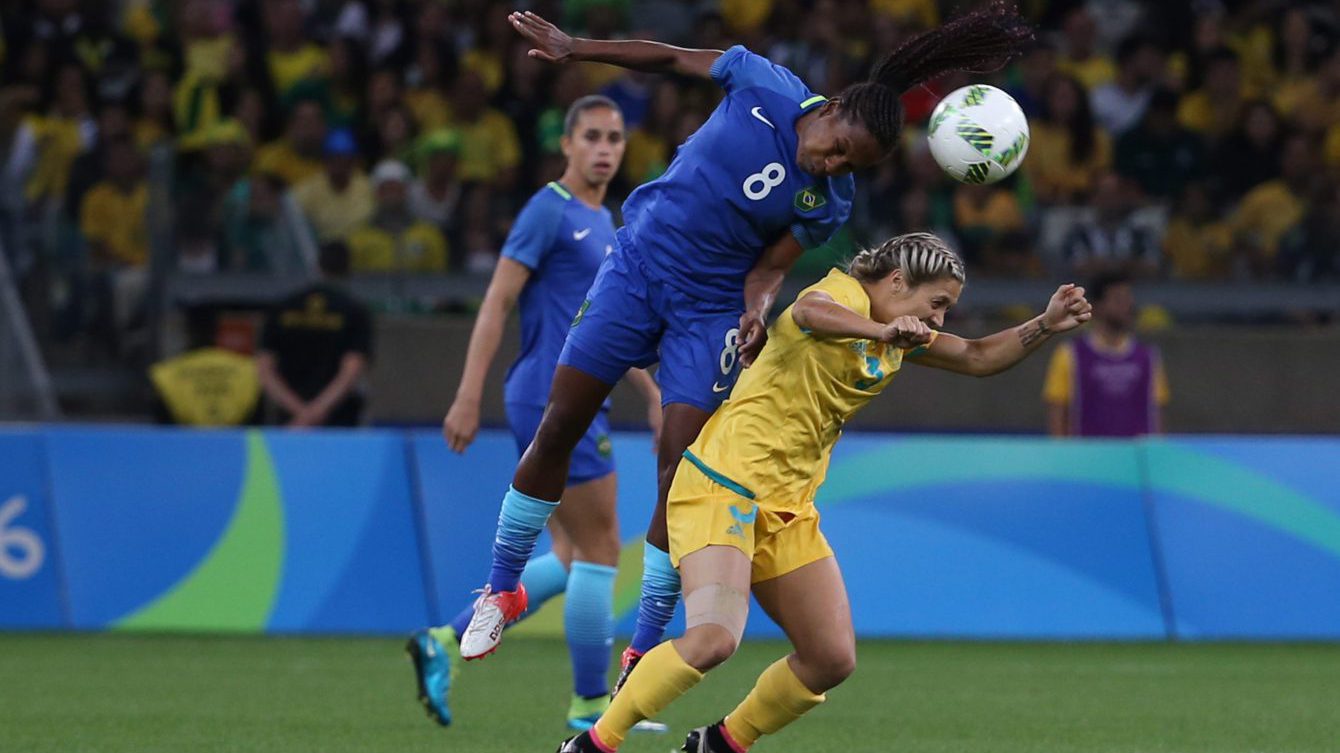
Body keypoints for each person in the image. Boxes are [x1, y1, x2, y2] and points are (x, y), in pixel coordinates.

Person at [458, 4, 1032, 686]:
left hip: (709, 311)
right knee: (561, 421)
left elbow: (769, 267)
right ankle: (500, 588)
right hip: (637, 268)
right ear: (835, 107)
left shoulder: (830, 199)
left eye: (852, 164)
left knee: (680, 464)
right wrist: (574, 48)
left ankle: (643, 644)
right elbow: (671, 58)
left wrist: (756, 310)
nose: (835, 162)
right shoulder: (762, 84)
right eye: (840, 146)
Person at [557, 233, 1093, 753]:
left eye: (947, 309)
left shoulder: (899, 330)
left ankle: (720, 743)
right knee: (714, 639)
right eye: (936, 303)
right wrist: (881, 334)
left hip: (789, 508)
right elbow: (809, 313)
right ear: (898, 281)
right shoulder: (844, 295)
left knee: (831, 657)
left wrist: (1045, 325)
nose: (939, 319)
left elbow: (976, 356)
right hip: (723, 484)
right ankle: (593, 743)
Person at [405, 96, 664, 731]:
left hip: (575, 395)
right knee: (602, 545)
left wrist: (652, 392)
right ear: (567, 146)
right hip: (550, 396)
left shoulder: (607, 223)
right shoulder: (547, 210)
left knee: (575, 557)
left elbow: (605, 326)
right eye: (592, 137)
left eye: (614, 139)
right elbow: (496, 303)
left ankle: (444, 640)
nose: (604, 148)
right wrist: (468, 394)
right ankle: (589, 708)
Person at [256, 242, 371, 428]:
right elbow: (351, 370)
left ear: (317, 266)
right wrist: (315, 412)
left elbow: (265, 369)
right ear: (349, 269)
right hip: (338, 421)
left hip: (291, 422)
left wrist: (300, 413)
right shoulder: (354, 311)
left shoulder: (283, 307)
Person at [1043, 271, 1168, 437]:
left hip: (1135, 458)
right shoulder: (1070, 354)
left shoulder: (1147, 357)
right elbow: (1058, 411)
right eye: (1118, 300)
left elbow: (1155, 412)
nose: (1127, 305)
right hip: (1087, 457)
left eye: (1128, 299)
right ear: (1098, 305)